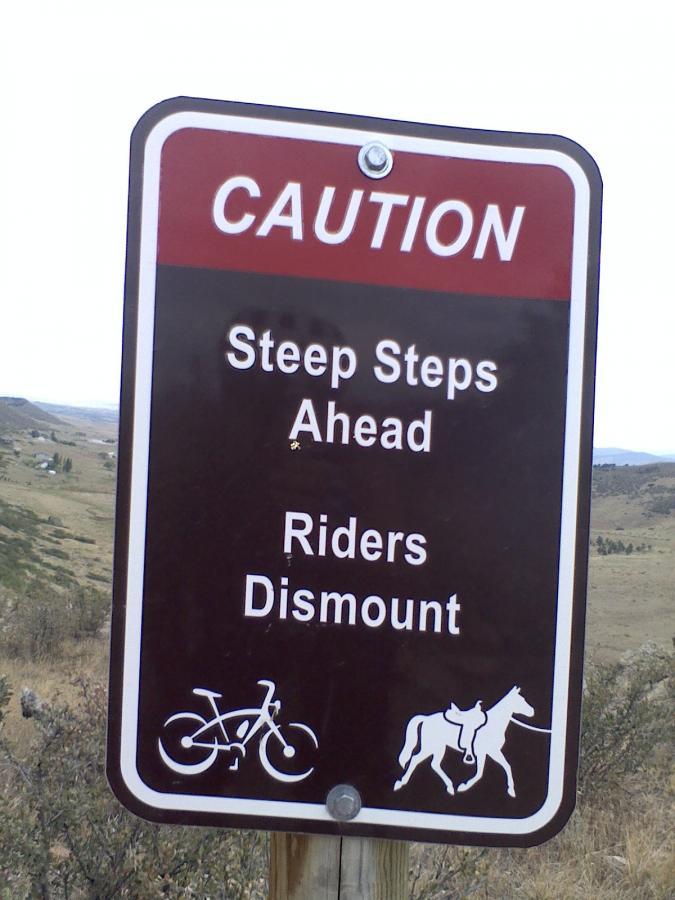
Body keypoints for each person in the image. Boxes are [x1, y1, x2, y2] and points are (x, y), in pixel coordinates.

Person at [444, 700, 487, 764]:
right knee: (469, 723)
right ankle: (469, 752)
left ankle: (469, 751)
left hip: (468, 705)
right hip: (460, 708)